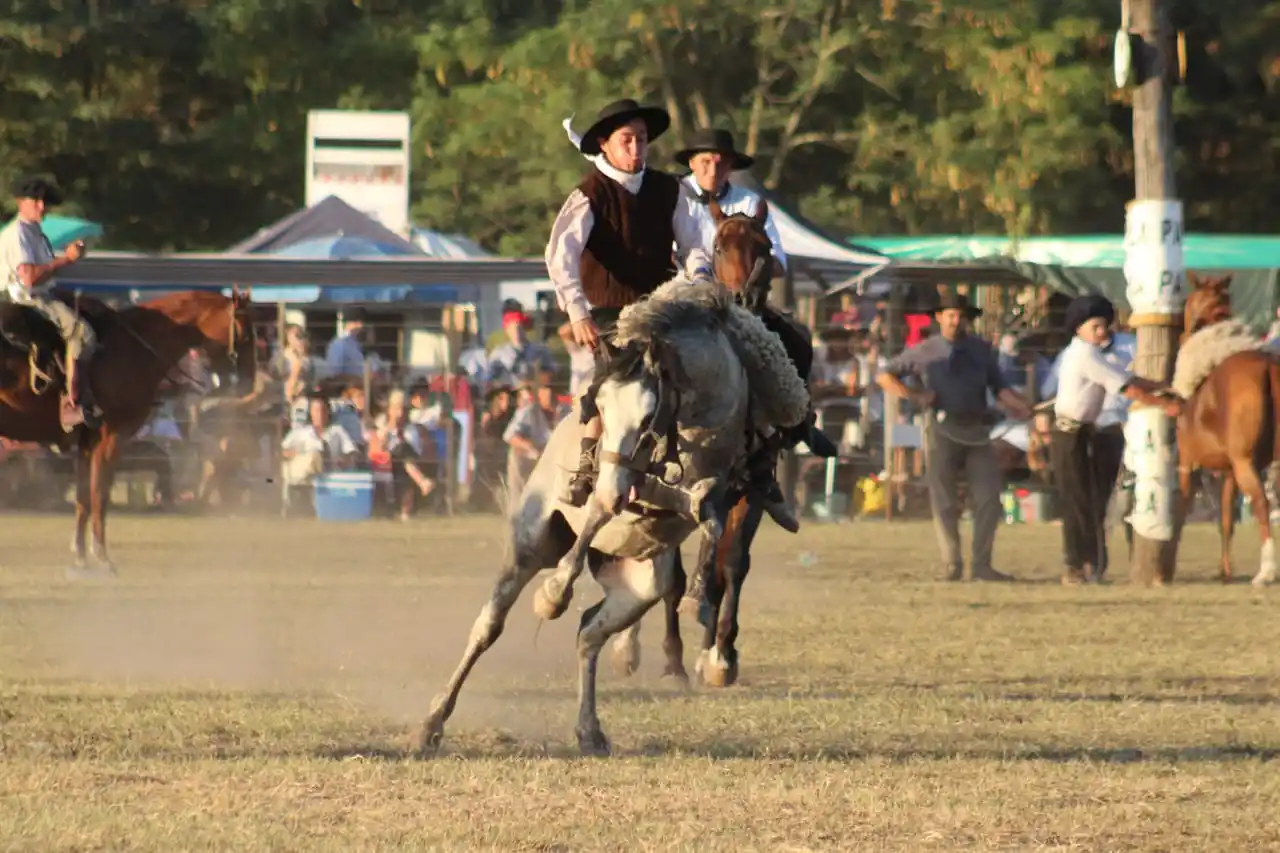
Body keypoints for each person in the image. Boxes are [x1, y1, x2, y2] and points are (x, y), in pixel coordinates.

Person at [546, 99, 728, 508]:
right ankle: (589, 462)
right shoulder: (590, 193)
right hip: (610, 315)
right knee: (613, 382)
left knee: (709, 356)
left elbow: (696, 241)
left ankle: (727, 454)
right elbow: (561, 257)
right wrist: (577, 312)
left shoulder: (668, 189)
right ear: (605, 146)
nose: (635, 150)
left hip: (663, 308)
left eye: (641, 141)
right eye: (627, 141)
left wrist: (699, 274)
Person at [876, 292, 1034, 582]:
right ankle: (952, 563)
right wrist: (916, 395)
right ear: (939, 317)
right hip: (941, 428)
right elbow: (885, 376)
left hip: (977, 429)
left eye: (961, 316)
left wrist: (1020, 406)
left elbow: (1000, 388)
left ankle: (982, 564)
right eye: (950, 315)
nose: (956, 321)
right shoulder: (923, 350)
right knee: (944, 500)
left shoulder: (982, 350)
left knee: (988, 498)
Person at [1050, 295, 1181, 585]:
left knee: (1093, 500)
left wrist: (1164, 386)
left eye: (1104, 325)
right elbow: (1127, 389)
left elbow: (1130, 378)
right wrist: (1164, 404)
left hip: (1084, 432)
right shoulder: (1083, 355)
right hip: (1068, 434)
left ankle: (1092, 564)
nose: (1102, 332)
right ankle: (1077, 566)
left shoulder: (1092, 353)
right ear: (1079, 329)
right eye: (1095, 326)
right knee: (1077, 501)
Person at [0, 176, 97, 428]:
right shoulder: (19, 233)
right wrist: (67, 259)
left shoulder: (35, 233)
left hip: (40, 294)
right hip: (26, 298)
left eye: (44, 202)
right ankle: (71, 404)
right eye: (36, 201)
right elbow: (29, 277)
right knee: (81, 332)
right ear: (21, 202)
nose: (42, 207)